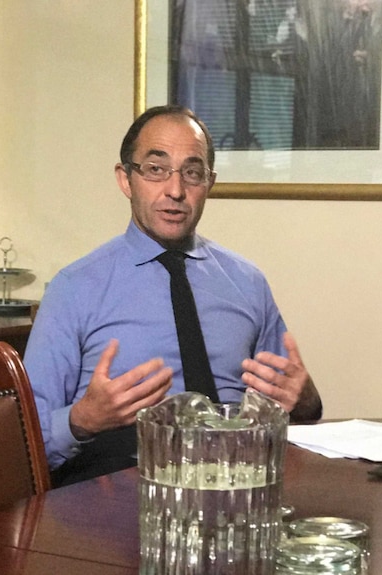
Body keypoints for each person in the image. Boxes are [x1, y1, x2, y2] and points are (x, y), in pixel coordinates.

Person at [24, 105, 322, 487]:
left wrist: (306, 397)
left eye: (192, 173)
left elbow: (293, 404)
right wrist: (82, 419)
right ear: (125, 180)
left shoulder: (246, 282)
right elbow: (21, 443)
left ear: (209, 184)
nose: (176, 190)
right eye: (155, 169)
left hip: (236, 484)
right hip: (119, 491)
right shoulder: (75, 288)